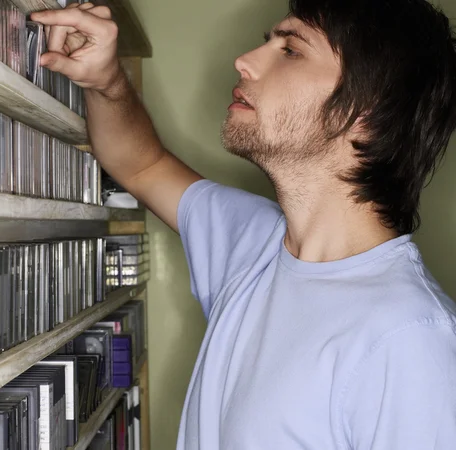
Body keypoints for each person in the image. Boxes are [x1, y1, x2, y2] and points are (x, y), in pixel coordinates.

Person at [32, 0, 456, 448]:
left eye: (290, 50)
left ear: (367, 112)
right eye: (266, 43)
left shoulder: (411, 342)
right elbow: (140, 165)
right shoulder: (251, 239)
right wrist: (105, 81)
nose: (244, 61)